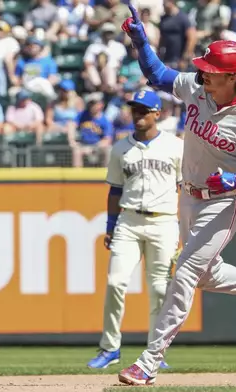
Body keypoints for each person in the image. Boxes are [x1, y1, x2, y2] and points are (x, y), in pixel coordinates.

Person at [117, 5, 236, 386]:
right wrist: (140, 41)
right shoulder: (197, 87)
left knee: (186, 272)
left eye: (210, 71)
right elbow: (157, 75)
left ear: (232, 78)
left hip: (225, 201)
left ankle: (148, 361)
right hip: (188, 196)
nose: (202, 74)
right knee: (206, 275)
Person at [87, 89, 183, 371]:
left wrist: (184, 227)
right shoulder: (120, 148)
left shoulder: (175, 146)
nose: (138, 114)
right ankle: (110, 348)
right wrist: (110, 226)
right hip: (128, 221)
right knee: (116, 282)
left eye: (144, 110)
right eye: (135, 110)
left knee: (159, 290)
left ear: (157, 113)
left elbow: (184, 189)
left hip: (163, 221)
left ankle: (156, 352)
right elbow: (115, 190)